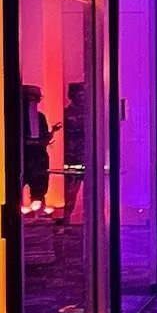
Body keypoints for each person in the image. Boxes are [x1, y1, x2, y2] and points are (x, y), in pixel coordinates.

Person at [21, 84, 54, 211]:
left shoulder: (40, 117)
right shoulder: (16, 118)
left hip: (38, 157)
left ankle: (38, 207)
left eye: (35, 99)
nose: (33, 102)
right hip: (23, 156)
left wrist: (46, 138)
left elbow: (44, 135)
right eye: (30, 99)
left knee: (39, 187)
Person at [62, 79, 86, 222]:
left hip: (89, 158)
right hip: (72, 159)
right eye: (79, 94)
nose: (82, 97)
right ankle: (66, 220)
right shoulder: (67, 114)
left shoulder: (93, 113)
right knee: (70, 194)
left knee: (93, 194)